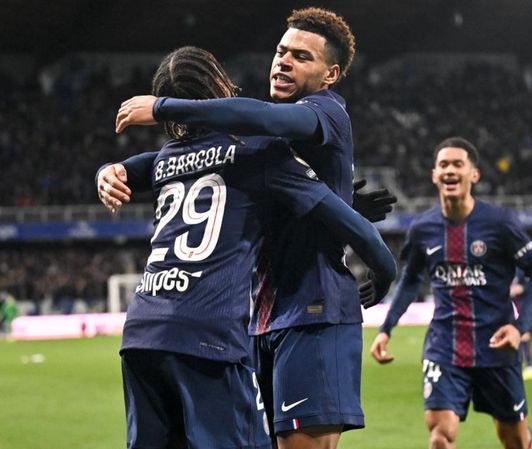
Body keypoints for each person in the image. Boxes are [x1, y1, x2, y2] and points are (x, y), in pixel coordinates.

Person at [104, 8, 389, 449]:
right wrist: (113, 169)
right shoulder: (253, 143)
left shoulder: (323, 111)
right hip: (259, 315)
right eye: (280, 51)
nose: (283, 62)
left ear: (330, 75)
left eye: (301, 56)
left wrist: (161, 107)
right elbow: (172, 159)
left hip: (313, 308)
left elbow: (267, 122)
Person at [369, 137, 532, 449]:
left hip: (496, 346)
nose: (450, 170)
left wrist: (520, 328)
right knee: (440, 437)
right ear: (434, 175)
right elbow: (410, 280)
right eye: (443, 165)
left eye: (457, 164)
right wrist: (386, 328)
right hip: (445, 347)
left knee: (515, 441)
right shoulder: (423, 228)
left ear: (473, 174)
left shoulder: (499, 224)